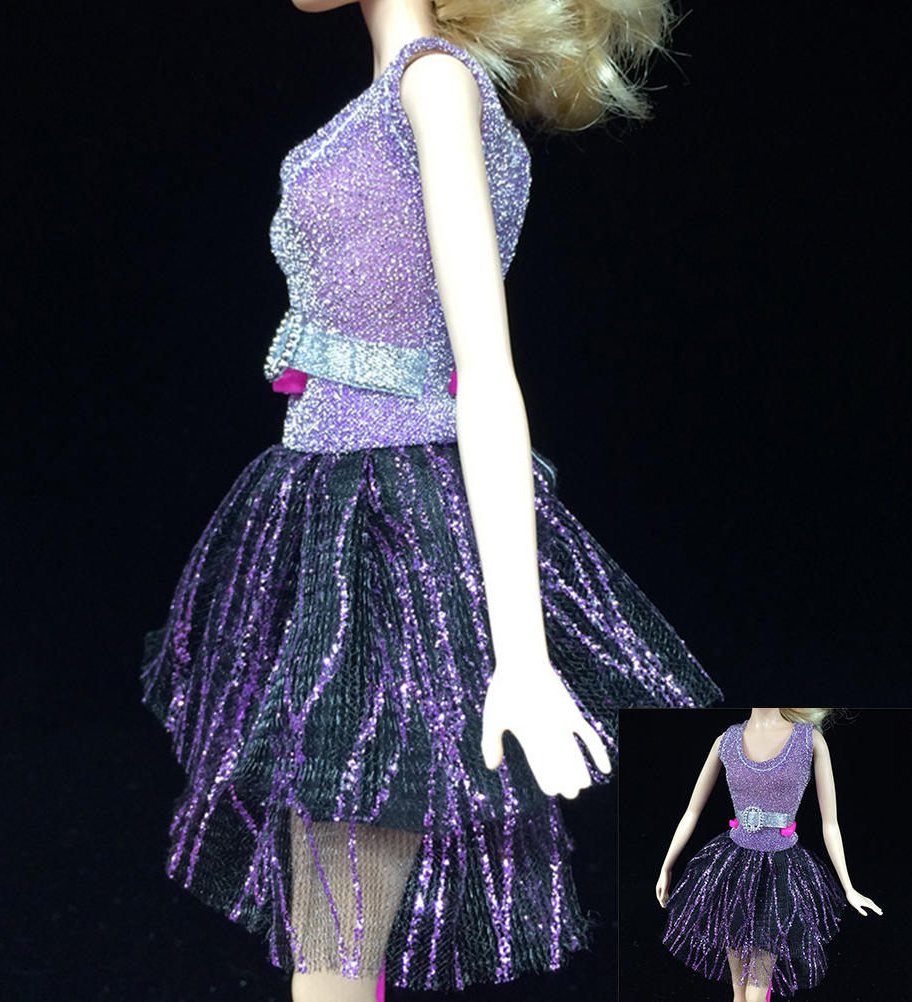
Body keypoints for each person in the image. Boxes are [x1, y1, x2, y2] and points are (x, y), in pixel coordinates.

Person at [141, 1, 721, 999]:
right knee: (333, 922)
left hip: (387, 523)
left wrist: (524, 659)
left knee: (338, 923)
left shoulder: (434, 83)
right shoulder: (404, 89)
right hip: (328, 506)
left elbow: (485, 376)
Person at [656, 708, 882, 1001]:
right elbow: (692, 811)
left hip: (778, 873)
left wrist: (849, 887)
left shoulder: (809, 741)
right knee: (739, 993)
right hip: (734, 871)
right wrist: (666, 866)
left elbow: (830, 824)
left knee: (756, 990)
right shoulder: (726, 741)